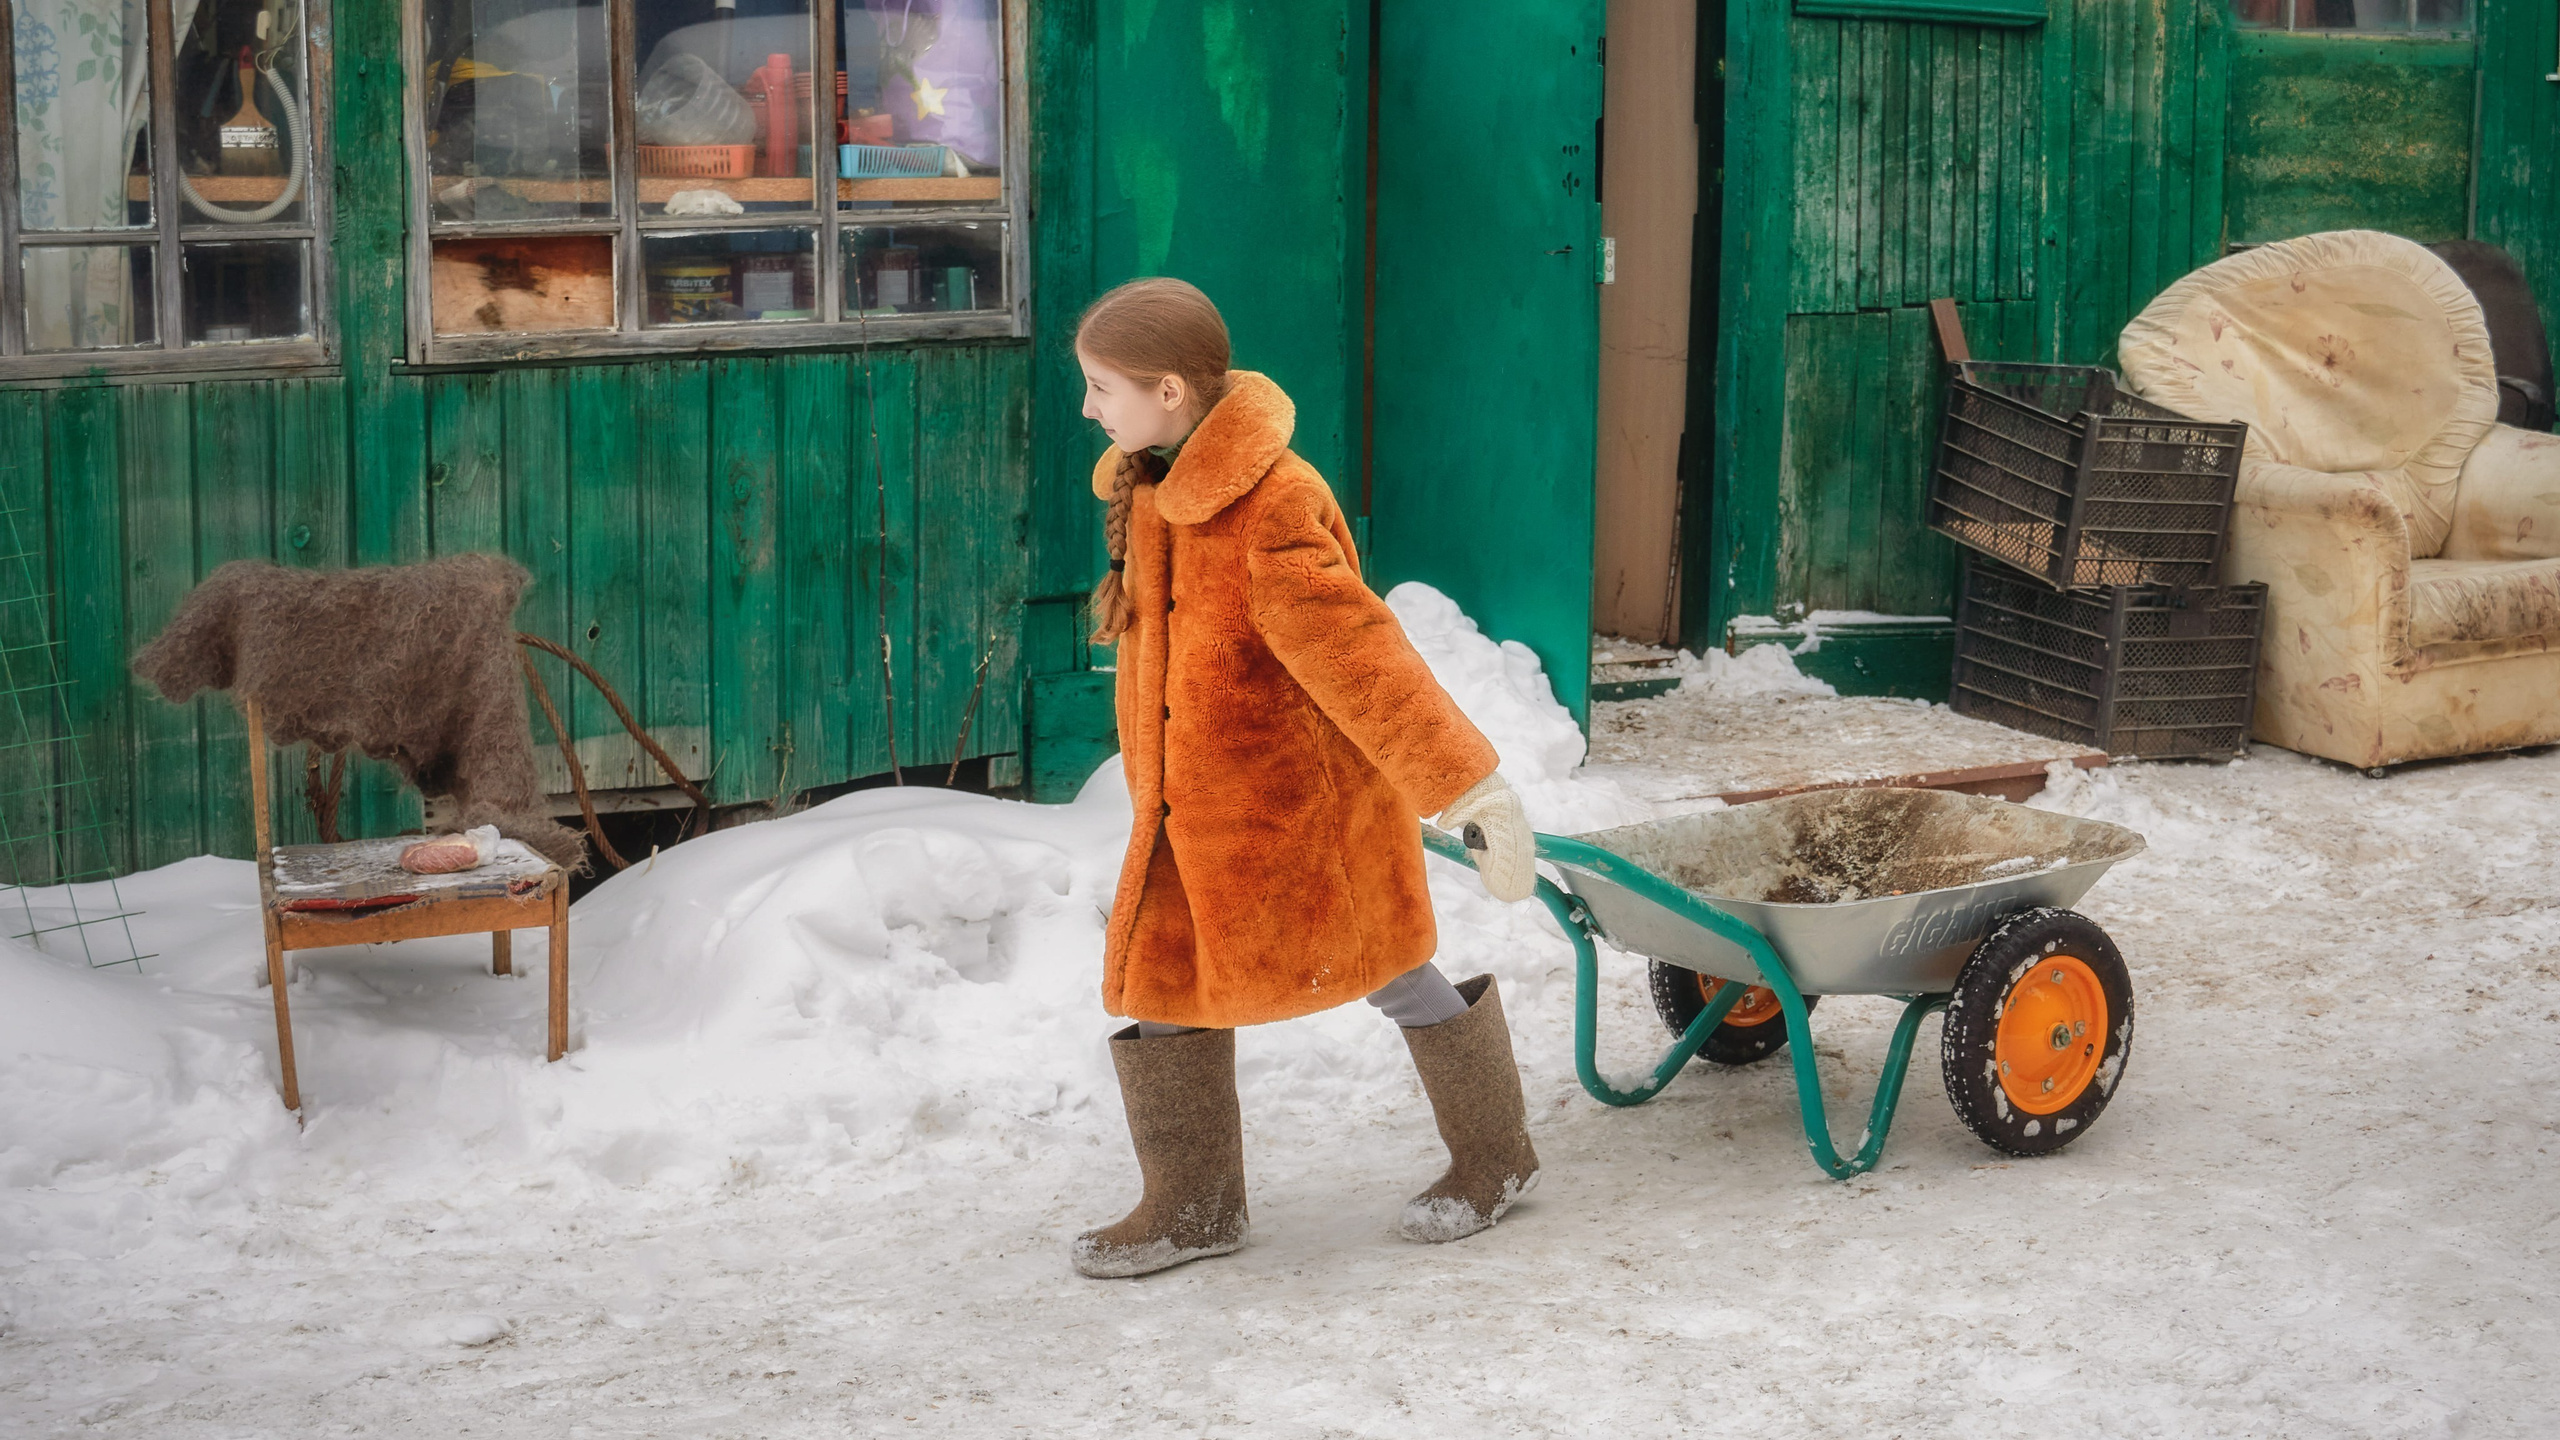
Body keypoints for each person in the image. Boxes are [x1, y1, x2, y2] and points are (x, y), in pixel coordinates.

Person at [1069, 277, 1541, 1279]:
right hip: (1185, 819)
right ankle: (1194, 1204)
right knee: (1167, 982)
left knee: (1393, 972)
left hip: (1298, 819)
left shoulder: (1270, 506)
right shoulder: (1150, 484)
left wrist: (1467, 791)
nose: (1087, 410)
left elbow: (1364, 663)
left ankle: (1495, 1156)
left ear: (1165, 391)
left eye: (1100, 388)